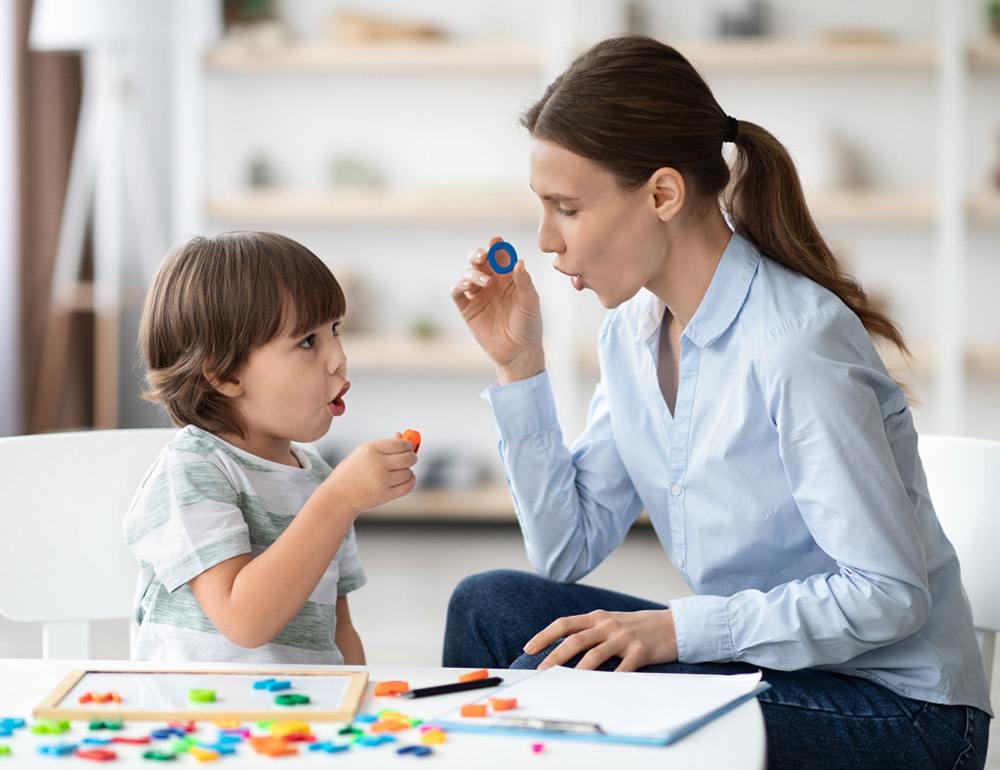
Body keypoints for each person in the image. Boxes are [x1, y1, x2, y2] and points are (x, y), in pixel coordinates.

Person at [444, 35, 991, 769]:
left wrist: (676, 632)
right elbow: (564, 549)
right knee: (489, 609)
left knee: (615, 691)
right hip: (769, 672)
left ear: (663, 194)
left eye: (567, 208)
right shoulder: (630, 338)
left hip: (900, 712)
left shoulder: (795, 344)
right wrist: (520, 368)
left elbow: (888, 595)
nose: (546, 240)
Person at [125, 231, 418, 663]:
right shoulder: (191, 471)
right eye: (307, 341)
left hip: (300, 724)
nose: (338, 356)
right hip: (196, 723)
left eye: (334, 330)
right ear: (224, 375)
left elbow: (339, 629)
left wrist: (359, 710)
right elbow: (244, 621)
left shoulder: (318, 476)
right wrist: (338, 501)